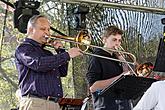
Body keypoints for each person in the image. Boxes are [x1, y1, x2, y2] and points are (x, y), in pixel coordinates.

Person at [15, 15, 82, 110]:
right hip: (35, 103)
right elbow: (39, 64)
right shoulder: (24, 48)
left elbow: (62, 72)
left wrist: (61, 51)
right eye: (43, 29)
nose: (47, 33)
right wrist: (67, 55)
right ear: (30, 30)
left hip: (54, 103)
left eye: (48, 29)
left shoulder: (47, 52)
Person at [86, 25, 132, 110]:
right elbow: (93, 87)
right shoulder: (96, 57)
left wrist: (123, 61)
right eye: (114, 40)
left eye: (119, 40)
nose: (117, 43)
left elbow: (126, 77)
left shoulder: (116, 57)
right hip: (106, 106)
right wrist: (120, 77)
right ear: (104, 40)